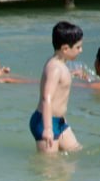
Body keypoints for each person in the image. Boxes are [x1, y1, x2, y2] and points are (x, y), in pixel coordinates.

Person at [30, 21, 84, 153]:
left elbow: (59, 81)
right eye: (78, 47)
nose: (81, 50)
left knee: (76, 152)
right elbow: (46, 98)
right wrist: (48, 129)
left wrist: (71, 74)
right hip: (46, 122)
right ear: (65, 49)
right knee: (50, 164)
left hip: (60, 122)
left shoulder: (59, 64)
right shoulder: (54, 68)